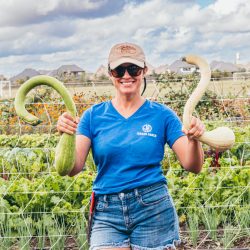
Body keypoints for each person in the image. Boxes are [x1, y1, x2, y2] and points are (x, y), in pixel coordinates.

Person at [57, 42, 205, 250]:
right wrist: (66, 136)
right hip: (107, 211)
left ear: (144, 70)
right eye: (119, 69)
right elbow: (72, 168)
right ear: (110, 73)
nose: (126, 75)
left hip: (153, 208)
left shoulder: (162, 115)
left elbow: (192, 165)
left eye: (133, 69)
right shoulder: (93, 116)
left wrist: (195, 138)